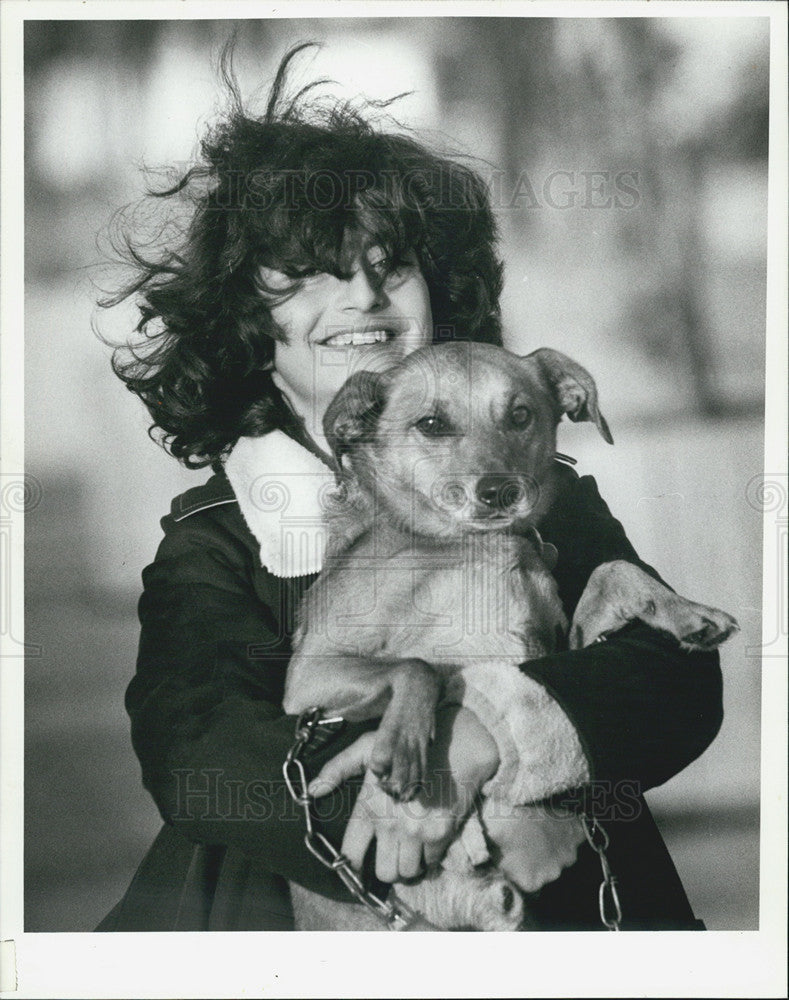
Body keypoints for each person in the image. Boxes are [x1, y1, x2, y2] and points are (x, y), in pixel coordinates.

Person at [97, 44, 722, 932]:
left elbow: (672, 683)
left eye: (389, 265)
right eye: (313, 273)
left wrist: (488, 742)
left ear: (438, 289)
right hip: (308, 915)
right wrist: (441, 826)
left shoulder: (543, 493)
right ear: (250, 323)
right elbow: (197, 746)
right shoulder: (220, 535)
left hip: (568, 910)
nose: (359, 298)